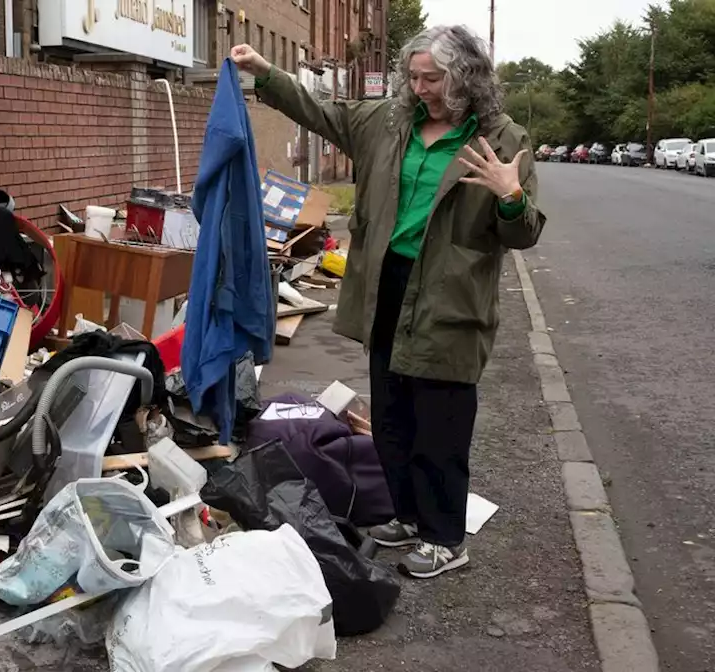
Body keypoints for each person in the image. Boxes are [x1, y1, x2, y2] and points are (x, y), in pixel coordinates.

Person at [232, 25, 546, 579]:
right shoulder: (388, 121)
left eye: (433, 79)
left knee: (442, 424)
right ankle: (405, 515)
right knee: (394, 415)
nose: (420, 87)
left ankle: (446, 538)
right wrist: (266, 72)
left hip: (451, 296)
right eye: (414, 77)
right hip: (388, 285)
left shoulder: (502, 139)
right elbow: (322, 111)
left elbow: (522, 235)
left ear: (466, 78)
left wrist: (510, 195)